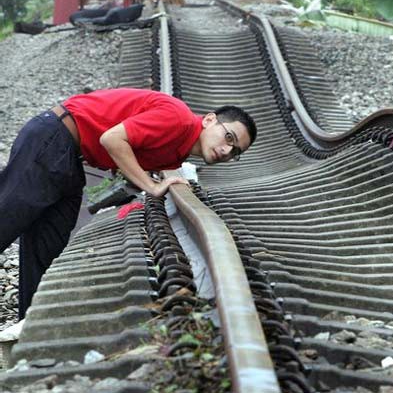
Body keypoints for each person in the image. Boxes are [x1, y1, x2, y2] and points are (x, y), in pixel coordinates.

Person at [0, 88, 257, 320]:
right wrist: (152, 186)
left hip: (68, 153)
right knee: (6, 221)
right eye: (229, 138)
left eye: (235, 152)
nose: (226, 151)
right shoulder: (178, 120)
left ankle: (27, 324)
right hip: (54, 139)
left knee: (46, 246)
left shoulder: (179, 147)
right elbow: (112, 139)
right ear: (210, 119)